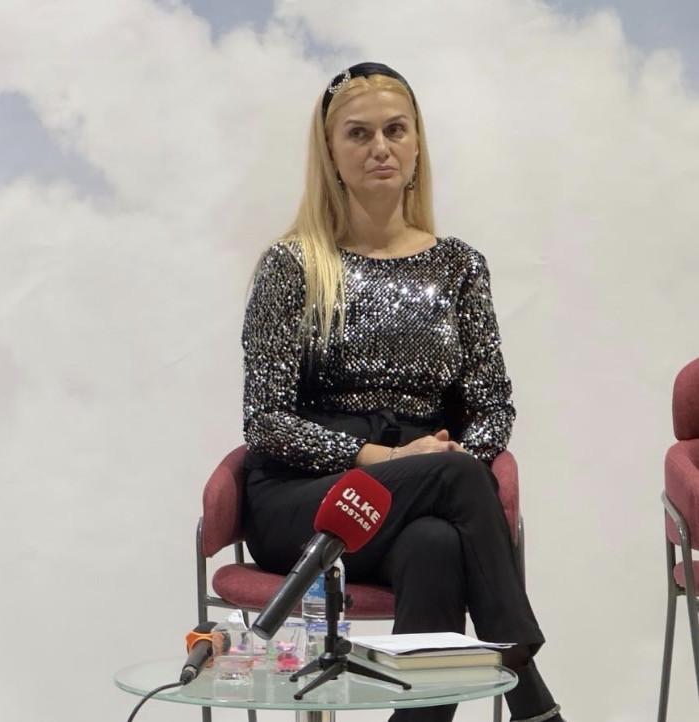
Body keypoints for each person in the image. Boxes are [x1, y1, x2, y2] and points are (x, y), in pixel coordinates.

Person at [240, 63, 565, 722]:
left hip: (420, 494)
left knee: (436, 544)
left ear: (417, 144)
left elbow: (492, 405)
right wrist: (385, 459)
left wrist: (450, 454)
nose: (379, 148)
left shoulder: (459, 266)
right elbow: (265, 422)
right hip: (308, 496)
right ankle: (528, 689)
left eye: (395, 130)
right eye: (358, 134)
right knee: (453, 478)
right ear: (330, 154)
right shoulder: (292, 265)